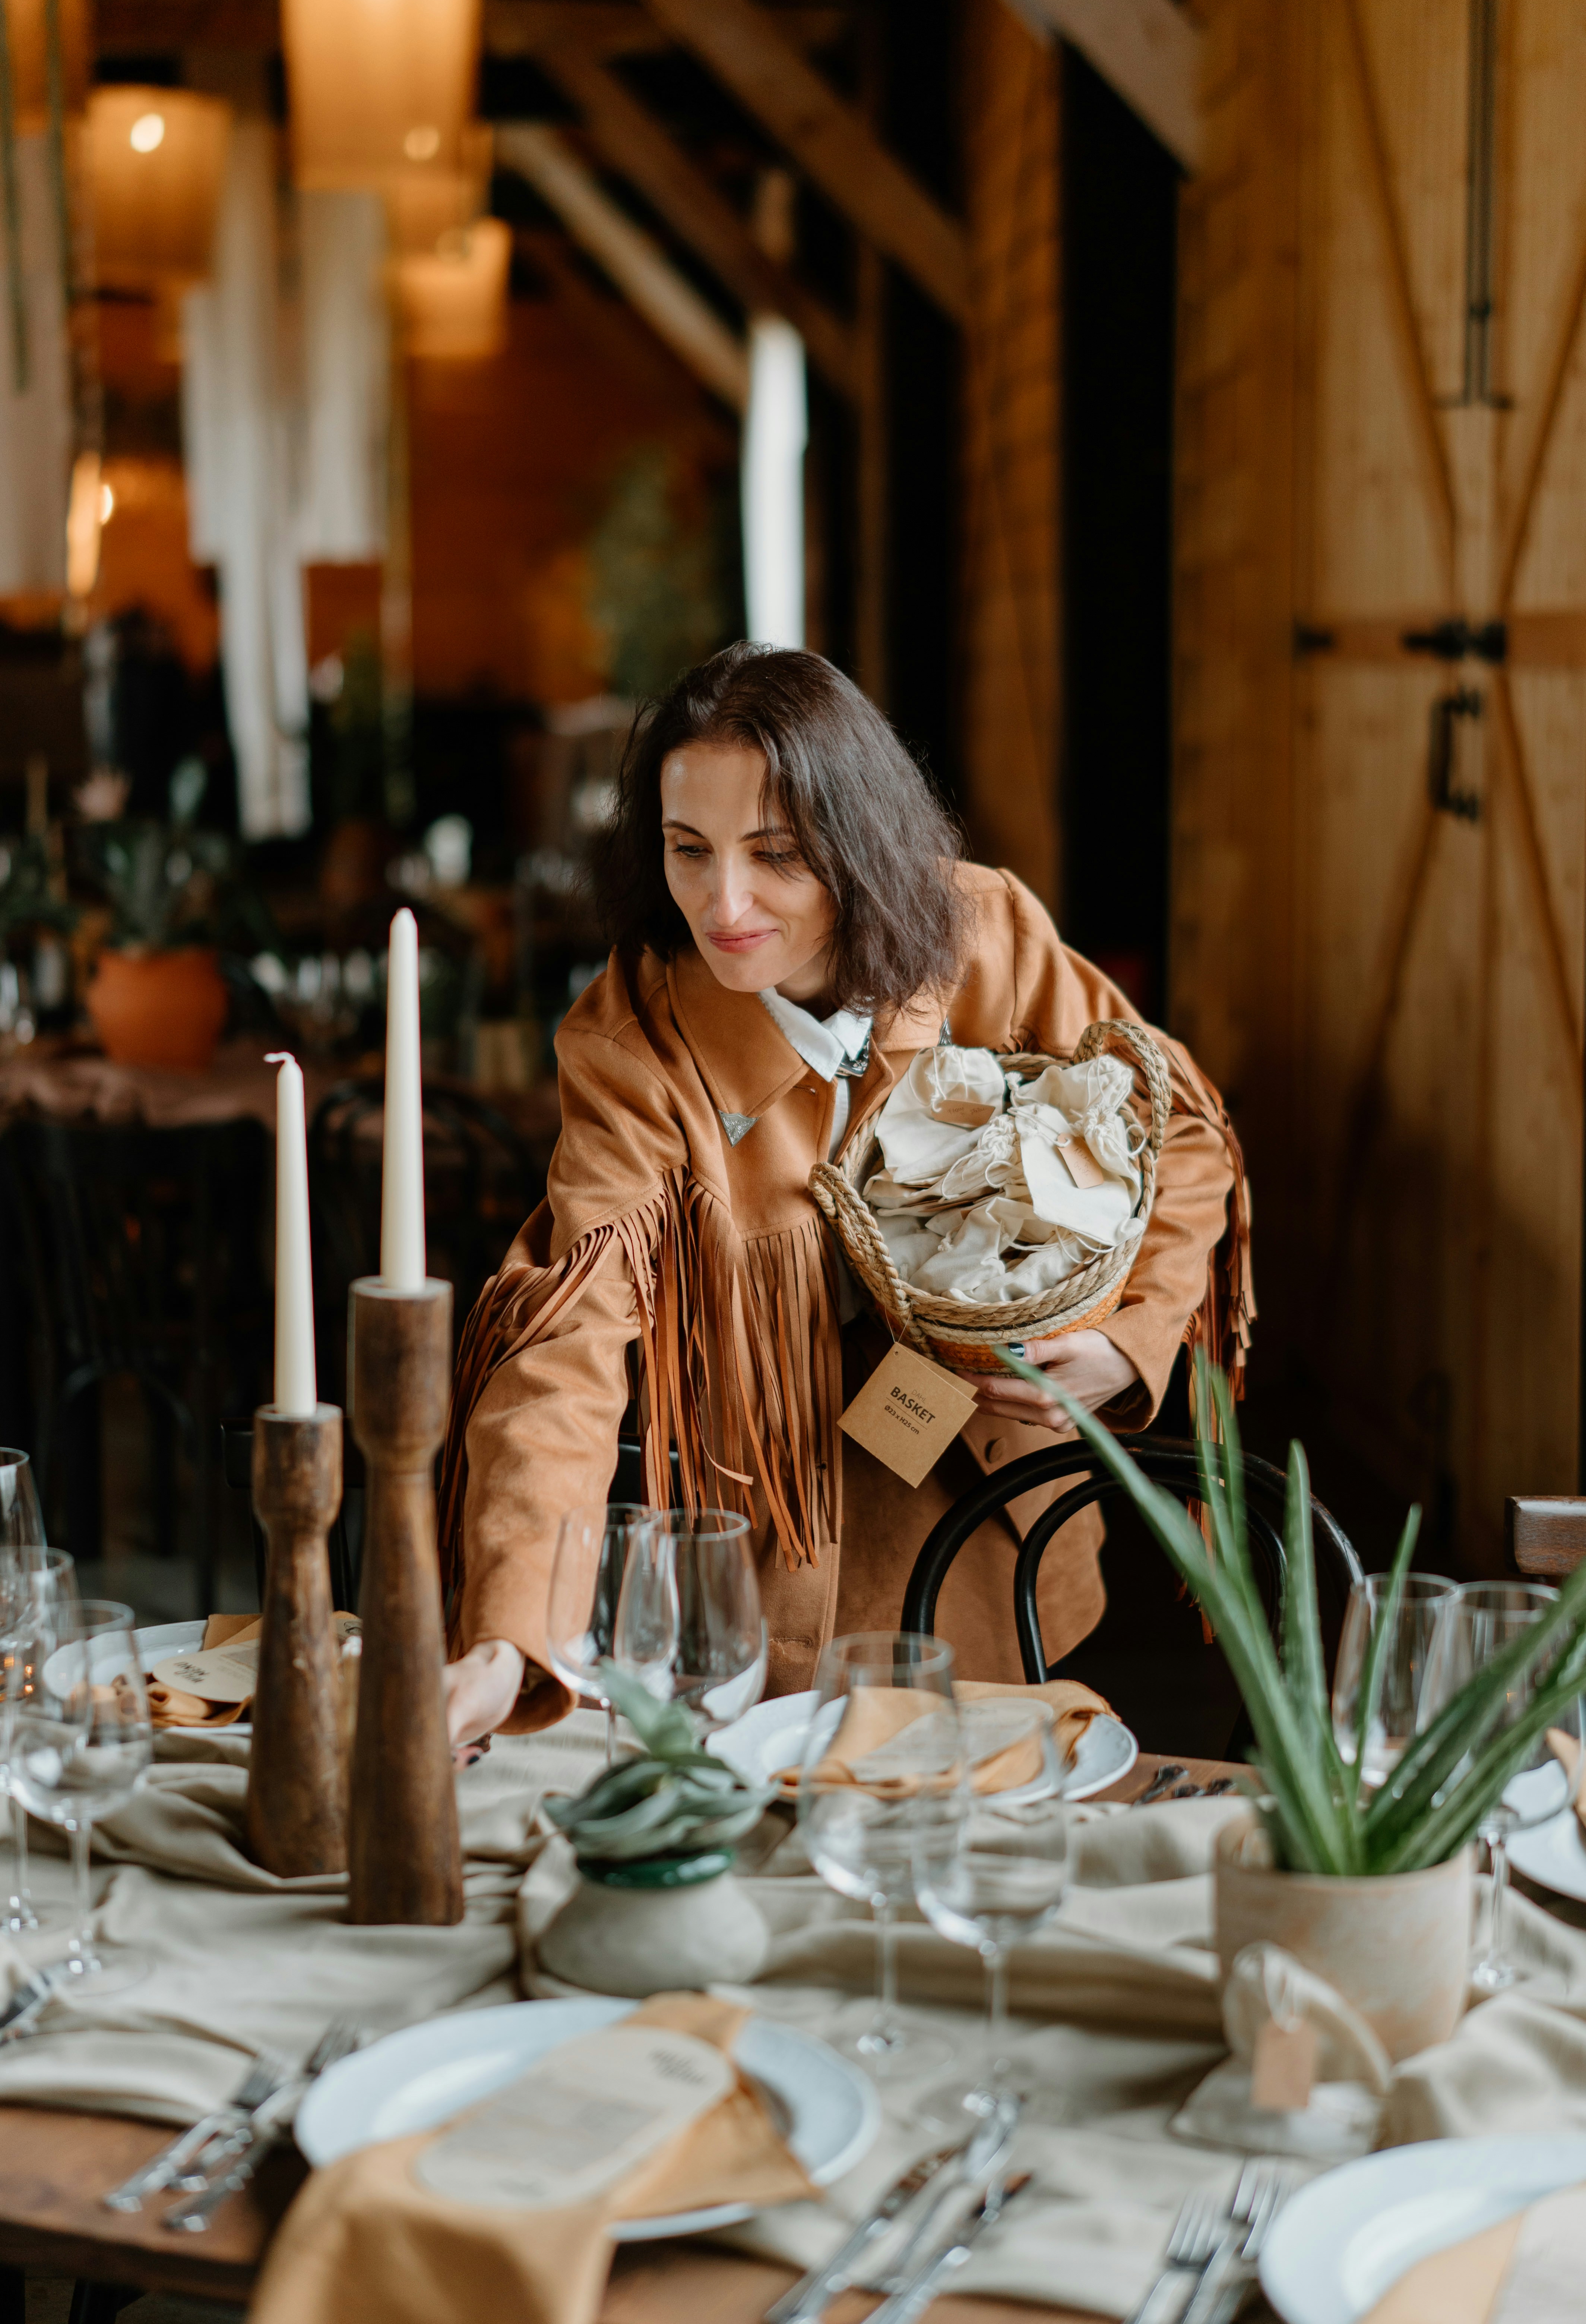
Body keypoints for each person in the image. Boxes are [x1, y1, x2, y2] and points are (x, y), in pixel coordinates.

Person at [439, 644, 1250, 1746]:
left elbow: (1182, 1127)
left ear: (856, 840)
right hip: (771, 1566)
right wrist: (508, 1633)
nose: (723, 903)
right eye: (689, 850)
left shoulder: (981, 931)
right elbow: (564, 1336)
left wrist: (1131, 1336)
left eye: (774, 854)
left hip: (994, 1515)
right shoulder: (635, 1036)